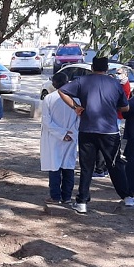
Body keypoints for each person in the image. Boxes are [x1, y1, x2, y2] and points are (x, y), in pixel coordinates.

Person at [58, 57, 134, 213]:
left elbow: (62, 90)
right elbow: (125, 108)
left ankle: (82, 202)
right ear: (107, 69)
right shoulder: (115, 84)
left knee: (87, 167)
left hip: (87, 129)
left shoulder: (82, 81)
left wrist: (76, 107)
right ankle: (127, 197)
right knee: (114, 164)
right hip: (109, 131)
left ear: (92, 67)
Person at [40, 73, 79, 204]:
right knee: (68, 166)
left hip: (54, 138)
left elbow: (46, 120)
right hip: (71, 137)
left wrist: (61, 134)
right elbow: (80, 119)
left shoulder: (49, 99)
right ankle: (67, 197)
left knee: (55, 166)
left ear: (54, 83)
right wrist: (71, 133)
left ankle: (55, 196)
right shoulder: (76, 100)